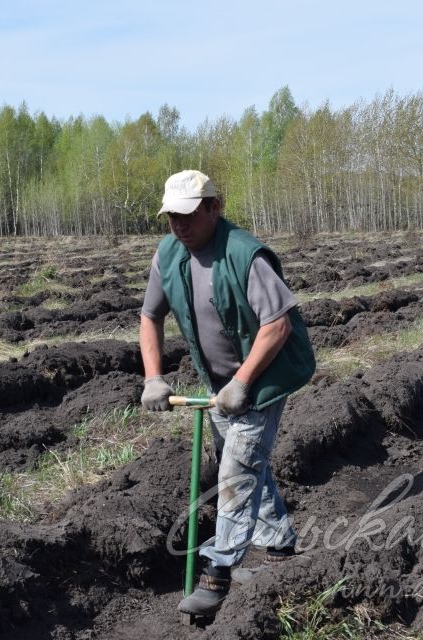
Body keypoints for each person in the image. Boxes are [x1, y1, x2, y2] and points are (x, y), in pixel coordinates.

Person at [139, 169, 316, 617]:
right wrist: (153, 377)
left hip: (265, 377)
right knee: (244, 461)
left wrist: (243, 383)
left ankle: (217, 574)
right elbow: (150, 317)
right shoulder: (168, 254)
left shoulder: (244, 254)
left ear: (214, 208)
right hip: (219, 384)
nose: (179, 225)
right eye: (171, 217)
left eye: (189, 215)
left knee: (236, 470)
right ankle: (278, 546)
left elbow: (278, 324)